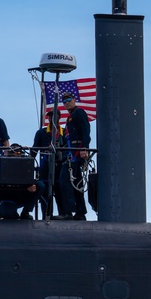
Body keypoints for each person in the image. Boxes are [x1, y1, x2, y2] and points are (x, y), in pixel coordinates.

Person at [32, 108, 71, 218]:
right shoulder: (41, 133)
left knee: (60, 191)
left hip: (60, 167)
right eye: (50, 116)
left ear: (59, 118)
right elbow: (34, 150)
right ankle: (46, 214)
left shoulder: (64, 133)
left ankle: (63, 214)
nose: (51, 119)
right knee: (45, 192)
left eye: (54, 116)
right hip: (46, 167)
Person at [62, 92, 91, 220]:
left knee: (64, 180)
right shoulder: (70, 117)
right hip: (71, 151)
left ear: (74, 100)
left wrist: (84, 148)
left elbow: (86, 131)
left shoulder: (79, 113)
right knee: (77, 181)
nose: (67, 102)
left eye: (69, 99)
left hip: (77, 151)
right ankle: (80, 211)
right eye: (64, 101)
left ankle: (68, 211)